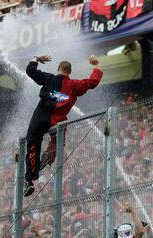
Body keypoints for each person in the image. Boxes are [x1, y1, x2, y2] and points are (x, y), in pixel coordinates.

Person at [24, 55, 103, 197]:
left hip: (40, 116)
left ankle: (30, 180)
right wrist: (96, 65)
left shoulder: (48, 78)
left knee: (33, 144)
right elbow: (93, 82)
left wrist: (36, 59)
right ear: (69, 72)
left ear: (58, 69)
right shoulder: (74, 85)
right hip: (58, 120)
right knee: (57, 142)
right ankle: (50, 154)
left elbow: (30, 70)